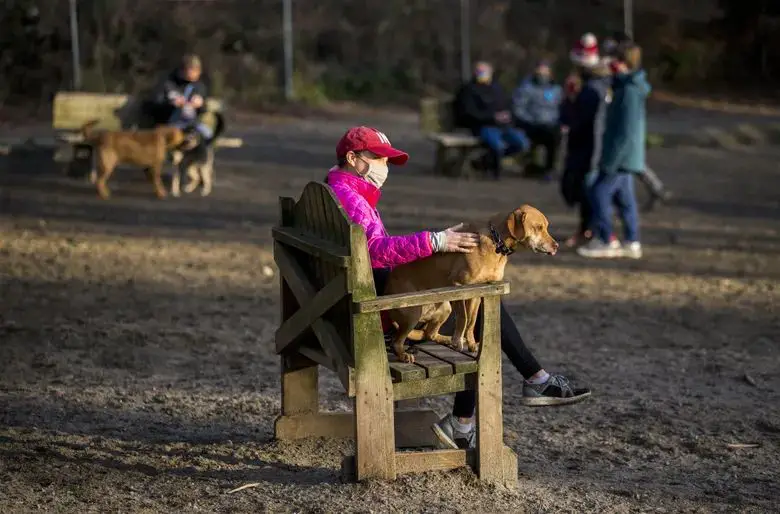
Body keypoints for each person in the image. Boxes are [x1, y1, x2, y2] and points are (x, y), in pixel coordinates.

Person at [325, 126, 591, 450]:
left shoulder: (335, 192)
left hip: (342, 304)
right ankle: (481, 413)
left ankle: (528, 385)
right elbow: (376, 251)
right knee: (483, 310)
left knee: (479, 296)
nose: (385, 166)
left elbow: (369, 251)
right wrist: (435, 241)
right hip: (372, 312)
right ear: (352, 158)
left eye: (387, 160)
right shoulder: (349, 198)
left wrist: (434, 252)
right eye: (378, 158)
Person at [578, 43, 649, 259]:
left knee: (599, 192)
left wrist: (610, 161)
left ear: (622, 62)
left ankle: (606, 238)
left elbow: (625, 131)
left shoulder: (628, 92)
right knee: (626, 198)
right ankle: (632, 240)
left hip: (620, 156)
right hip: (627, 156)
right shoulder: (627, 87)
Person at [560, 35, 615, 248]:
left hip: (590, 146)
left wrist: (570, 102)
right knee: (580, 189)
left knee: (589, 191)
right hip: (583, 144)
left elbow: (584, 120)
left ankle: (595, 230)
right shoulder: (590, 84)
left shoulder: (594, 88)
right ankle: (592, 229)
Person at [453, 61, 530, 179]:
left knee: (522, 144)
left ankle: (484, 161)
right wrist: (491, 117)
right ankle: (494, 171)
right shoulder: (468, 89)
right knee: (498, 145)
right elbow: (468, 113)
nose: (481, 74)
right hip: (482, 126)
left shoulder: (497, 88)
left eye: (484, 71)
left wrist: (508, 115)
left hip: (503, 125)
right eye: (479, 71)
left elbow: (508, 105)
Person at [511, 60, 564, 179]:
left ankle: (549, 168)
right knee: (543, 134)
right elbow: (518, 108)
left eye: (545, 70)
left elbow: (560, 107)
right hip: (532, 124)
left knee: (555, 135)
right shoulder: (527, 88)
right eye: (540, 70)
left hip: (551, 124)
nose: (542, 73)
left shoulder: (555, 89)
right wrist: (530, 120)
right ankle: (533, 166)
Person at [151, 54, 213, 139]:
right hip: (169, 125)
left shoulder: (199, 87)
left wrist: (200, 105)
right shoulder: (168, 84)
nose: (195, 73)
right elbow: (155, 105)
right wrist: (172, 104)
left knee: (207, 135)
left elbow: (203, 110)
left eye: (197, 70)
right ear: (183, 70)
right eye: (192, 70)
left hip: (191, 125)